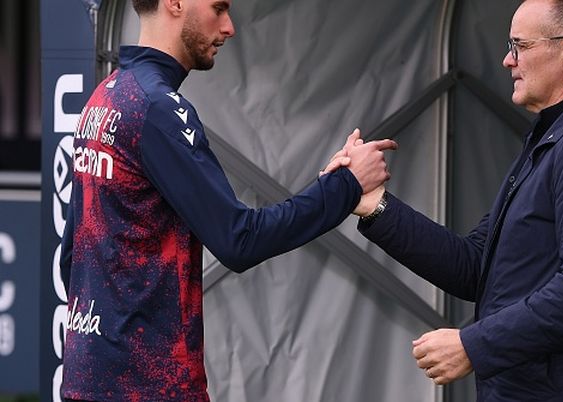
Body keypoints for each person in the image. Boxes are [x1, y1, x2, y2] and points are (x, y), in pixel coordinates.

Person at [59, 0, 396, 400]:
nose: (230, 26)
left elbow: (72, 257)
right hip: (149, 387)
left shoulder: (105, 98)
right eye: (218, 7)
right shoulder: (157, 108)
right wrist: (347, 187)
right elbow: (240, 239)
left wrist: (331, 186)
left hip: (87, 374)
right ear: (175, 3)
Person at [337, 0, 563, 400]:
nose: (507, 61)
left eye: (520, 46)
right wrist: (375, 204)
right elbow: (476, 266)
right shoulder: (553, 139)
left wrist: (475, 345)